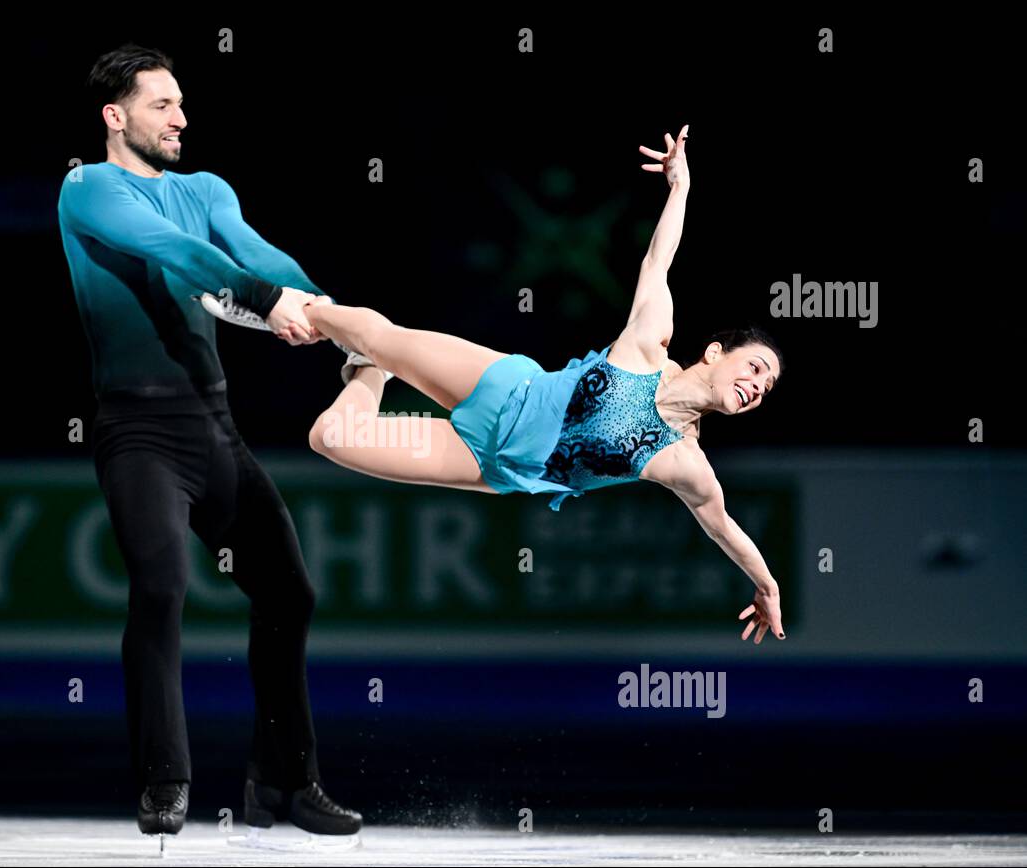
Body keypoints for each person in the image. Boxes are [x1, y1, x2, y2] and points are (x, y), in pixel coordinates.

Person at [297, 124, 789, 644]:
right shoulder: (649, 345)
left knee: (331, 437)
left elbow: (723, 528)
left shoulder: (684, 462)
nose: (758, 386)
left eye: (767, 388)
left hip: (487, 462)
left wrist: (768, 586)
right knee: (379, 335)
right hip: (501, 387)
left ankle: (368, 368)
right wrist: (681, 187)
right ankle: (300, 308)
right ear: (715, 353)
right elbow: (658, 262)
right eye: (755, 368)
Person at [56, 43, 360, 838]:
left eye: (182, 103)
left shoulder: (207, 186)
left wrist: (328, 315)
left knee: (288, 591)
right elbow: (183, 257)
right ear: (113, 117)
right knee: (161, 587)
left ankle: (283, 784)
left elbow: (253, 251)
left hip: (213, 427)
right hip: (139, 433)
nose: (182, 118)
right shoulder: (87, 188)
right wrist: (268, 300)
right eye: (163, 105)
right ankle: (164, 780)